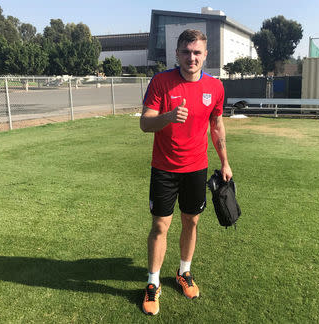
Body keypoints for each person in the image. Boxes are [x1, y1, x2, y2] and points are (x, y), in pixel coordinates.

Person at [140, 29, 232, 315]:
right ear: (177, 53)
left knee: (191, 222)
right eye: (185, 52)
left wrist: (225, 161)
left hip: (196, 168)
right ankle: (153, 284)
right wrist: (168, 117)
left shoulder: (215, 87)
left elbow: (216, 126)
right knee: (160, 226)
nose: (191, 57)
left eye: (197, 52)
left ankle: (184, 272)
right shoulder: (161, 82)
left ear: (205, 55)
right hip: (164, 168)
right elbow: (145, 123)